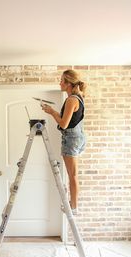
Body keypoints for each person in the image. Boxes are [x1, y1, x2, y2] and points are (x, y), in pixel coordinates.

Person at [42, 69, 86, 215]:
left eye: (62, 80)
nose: (59, 83)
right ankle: (73, 205)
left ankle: (73, 208)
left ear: (68, 83)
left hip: (71, 139)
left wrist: (52, 112)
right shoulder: (78, 98)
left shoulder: (71, 99)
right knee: (73, 174)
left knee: (72, 175)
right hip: (77, 137)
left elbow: (64, 124)